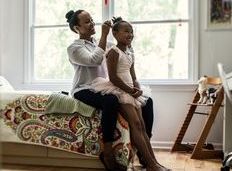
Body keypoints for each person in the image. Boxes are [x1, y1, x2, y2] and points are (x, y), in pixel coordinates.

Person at [65, 10, 155, 170]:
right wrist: (105, 35)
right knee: (111, 101)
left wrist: (121, 29)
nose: (92, 23)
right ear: (76, 27)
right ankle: (107, 152)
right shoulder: (74, 48)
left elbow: (125, 51)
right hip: (84, 88)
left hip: (106, 87)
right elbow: (95, 60)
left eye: (92, 20)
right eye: (86, 22)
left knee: (147, 102)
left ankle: (143, 152)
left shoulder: (106, 44)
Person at [89, 17, 171, 171]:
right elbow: (113, 77)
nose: (130, 34)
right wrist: (130, 91)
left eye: (132, 32)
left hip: (132, 91)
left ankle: (153, 162)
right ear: (115, 33)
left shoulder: (130, 51)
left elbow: (132, 73)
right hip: (121, 91)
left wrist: (137, 87)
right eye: (126, 31)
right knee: (136, 124)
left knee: (142, 126)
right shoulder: (113, 52)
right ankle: (152, 165)